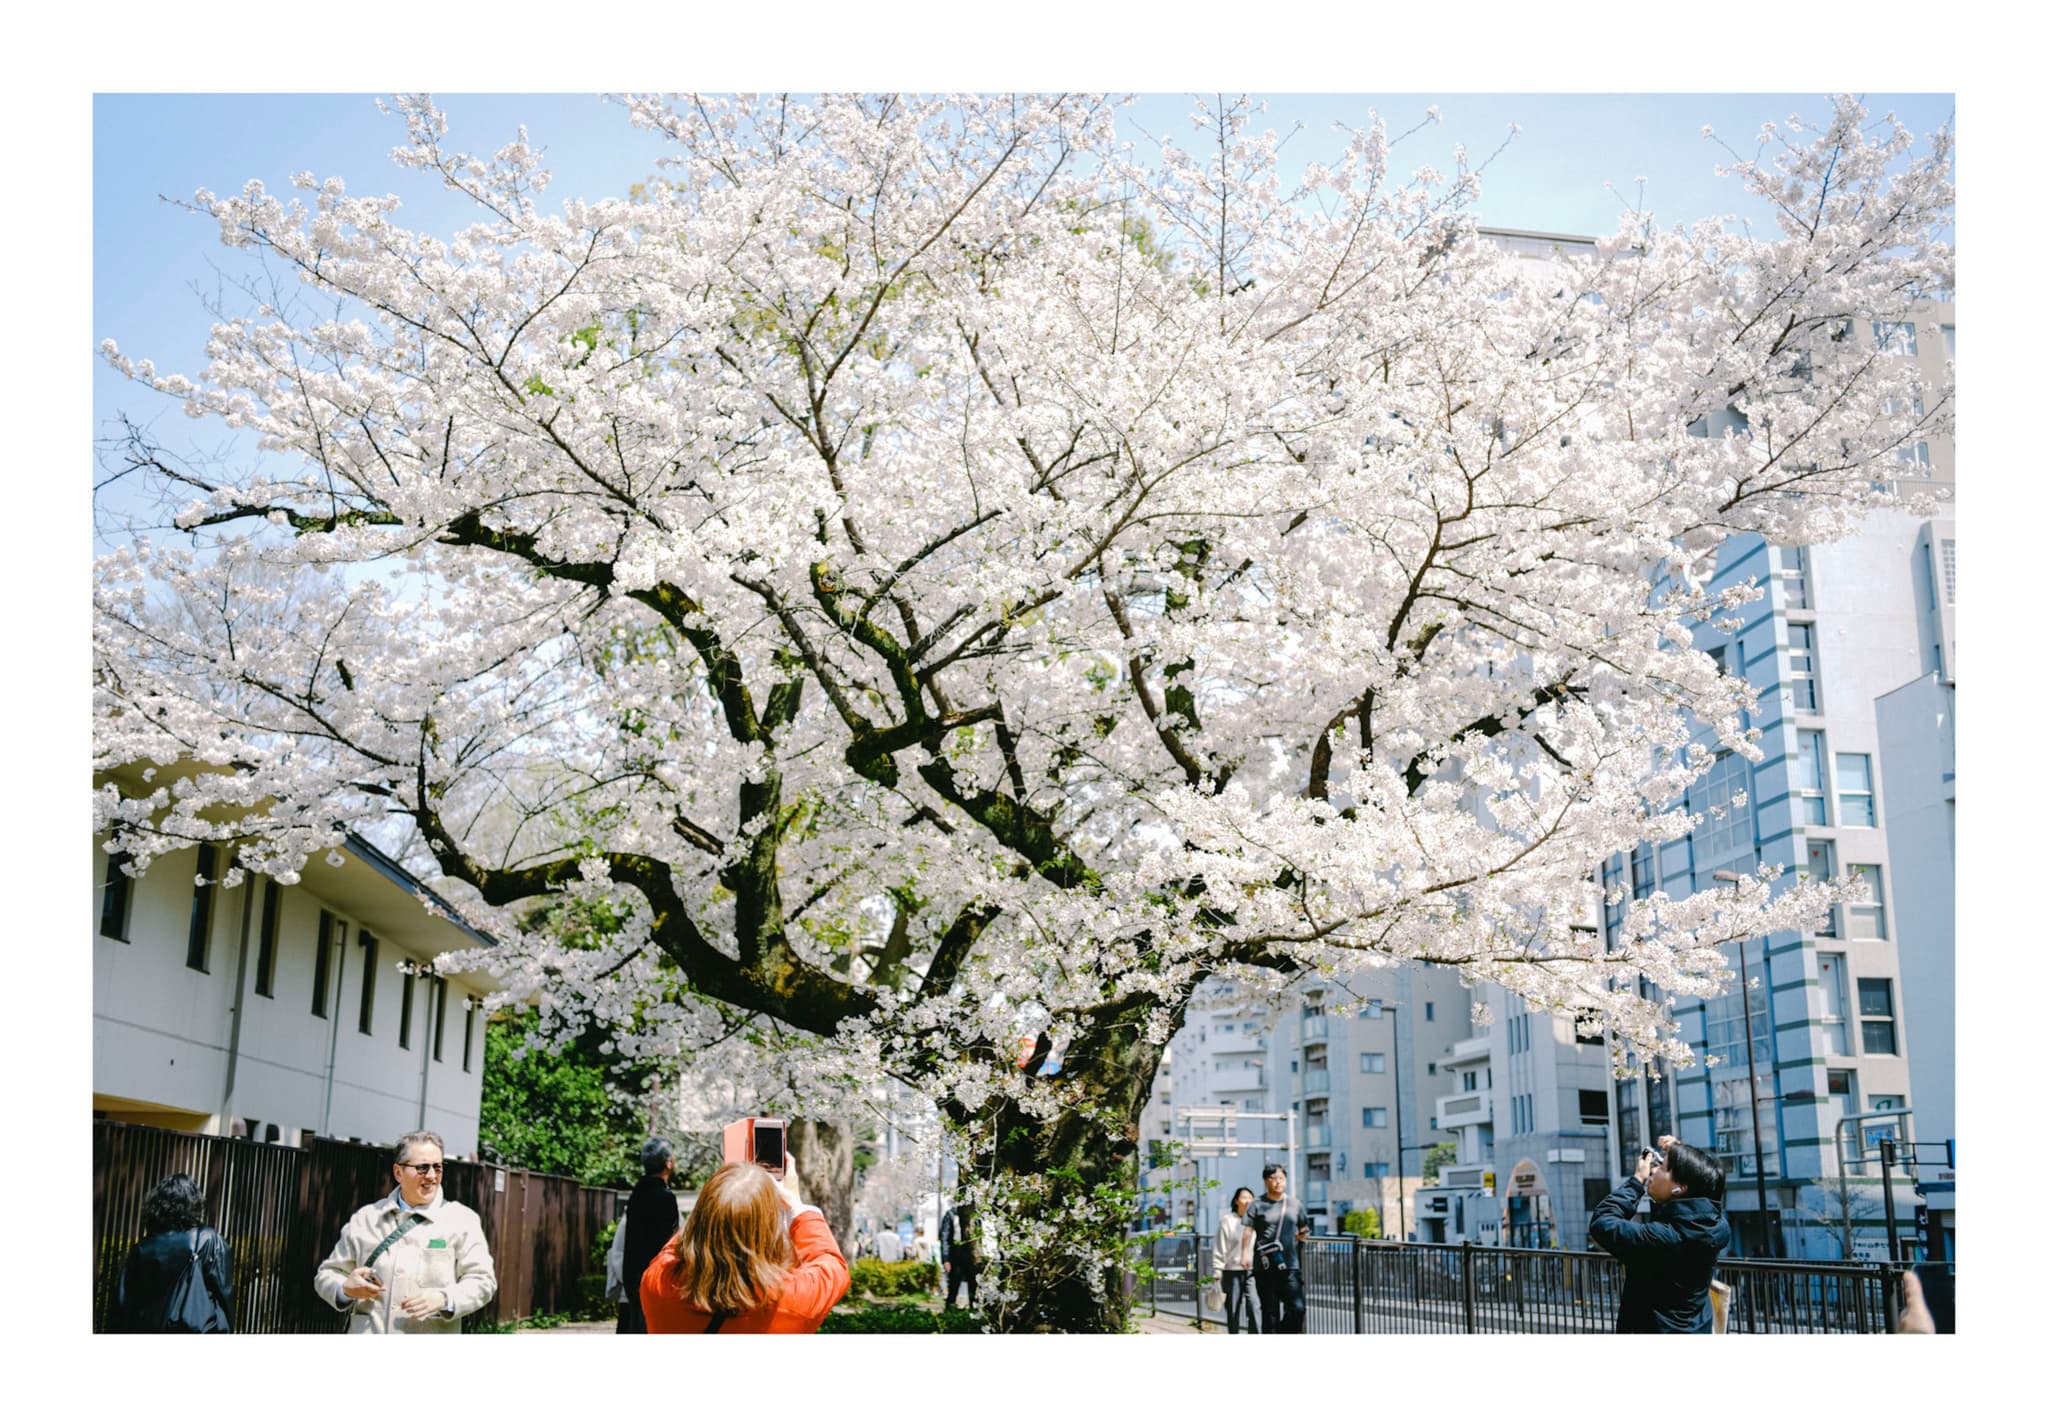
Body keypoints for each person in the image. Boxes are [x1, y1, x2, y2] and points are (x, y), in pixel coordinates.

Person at [314, 1130, 498, 1334]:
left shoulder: (461, 1220)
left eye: (437, 1167)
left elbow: (483, 1282)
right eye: (422, 1168)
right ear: (398, 1172)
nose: (432, 1176)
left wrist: (444, 1299)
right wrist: (345, 1289)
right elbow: (327, 1275)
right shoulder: (366, 1218)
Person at [640, 1154, 849, 1333]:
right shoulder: (795, 1298)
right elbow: (831, 1263)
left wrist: (718, 1202)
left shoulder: (658, 1284)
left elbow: (674, 1248)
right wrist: (796, 1205)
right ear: (768, 1229)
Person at [1588, 1134, 1729, 1333]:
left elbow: (1602, 1222)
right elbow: (1707, 1184)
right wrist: (1682, 1154)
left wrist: (1637, 1181)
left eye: (1662, 1167)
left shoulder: (1663, 1238)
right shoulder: (1715, 1226)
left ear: (1680, 1189)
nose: (1653, 1169)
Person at [110, 1171, 234, 1332]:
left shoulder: (142, 1248)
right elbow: (224, 1297)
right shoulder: (208, 1240)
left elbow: (122, 1303)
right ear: (194, 1203)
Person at [617, 1136, 682, 1333]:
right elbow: (669, 1243)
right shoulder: (665, 1197)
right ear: (668, 1163)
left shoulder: (637, 1194)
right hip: (656, 1280)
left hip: (633, 1278)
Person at [1246, 1163, 1309, 1333]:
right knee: (1270, 1312)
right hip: (1265, 1266)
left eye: (1281, 1178)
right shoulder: (1257, 1204)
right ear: (1266, 1181)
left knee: (1298, 1308)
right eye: (1273, 1178)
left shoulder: (1295, 1204)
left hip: (1290, 1265)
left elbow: (1303, 1227)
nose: (1278, 1182)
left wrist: (1303, 1234)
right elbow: (1248, 1231)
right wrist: (1245, 1255)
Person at [1210, 1185, 1261, 1334]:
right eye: (1244, 1197)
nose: (1247, 1200)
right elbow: (1220, 1246)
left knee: (1254, 1306)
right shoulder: (1228, 1221)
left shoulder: (1257, 1221)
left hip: (1252, 1271)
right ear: (1236, 1201)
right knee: (1233, 1309)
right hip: (1232, 1271)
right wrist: (1217, 1269)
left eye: (1250, 1198)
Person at [940, 1197, 979, 1310]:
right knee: (953, 1285)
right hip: (956, 1255)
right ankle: (950, 1310)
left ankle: (974, 1311)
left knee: (974, 1286)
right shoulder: (951, 1214)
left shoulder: (975, 1215)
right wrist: (946, 1259)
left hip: (972, 1254)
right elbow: (945, 1238)